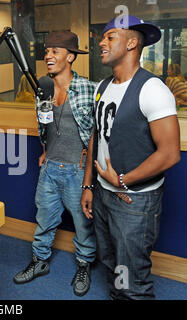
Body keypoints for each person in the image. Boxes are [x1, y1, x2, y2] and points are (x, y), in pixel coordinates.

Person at [81, 15, 180, 300]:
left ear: (132, 43)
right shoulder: (102, 87)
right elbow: (95, 136)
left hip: (133, 200)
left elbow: (170, 153)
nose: (102, 41)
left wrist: (123, 180)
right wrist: (89, 186)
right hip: (102, 195)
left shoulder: (153, 89)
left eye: (110, 36)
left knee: (132, 280)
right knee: (112, 265)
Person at [13, 31, 96, 297]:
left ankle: (84, 265)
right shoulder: (43, 89)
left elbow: (97, 132)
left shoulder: (89, 89)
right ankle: (40, 262)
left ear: (70, 57)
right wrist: (45, 150)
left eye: (55, 52)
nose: (48, 56)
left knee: (83, 225)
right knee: (44, 220)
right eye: (47, 51)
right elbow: (44, 124)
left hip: (77, 170)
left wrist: (89, 169)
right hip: (50, 169)